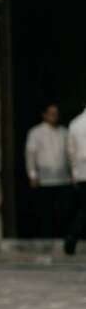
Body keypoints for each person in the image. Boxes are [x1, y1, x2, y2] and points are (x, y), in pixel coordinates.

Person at [25, 104, 73, 238]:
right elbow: (30, 155)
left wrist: (73, 174)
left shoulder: (64, 132)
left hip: (63, 179)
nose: (54, 116)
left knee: (63, 211)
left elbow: (70, 154)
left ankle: (61, 237)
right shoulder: (36, 133)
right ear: (44, 115)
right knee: (46, 213)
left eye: (56, 113)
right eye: (51, 113)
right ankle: (46, 238)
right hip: (44, 180)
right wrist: (32, 175)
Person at [66, 104, 86, 254]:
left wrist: (74, 173)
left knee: (83, 208)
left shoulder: (75, 123)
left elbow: (71, 152)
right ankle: (71, 239)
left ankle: (71, 240)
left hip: (81, 173)